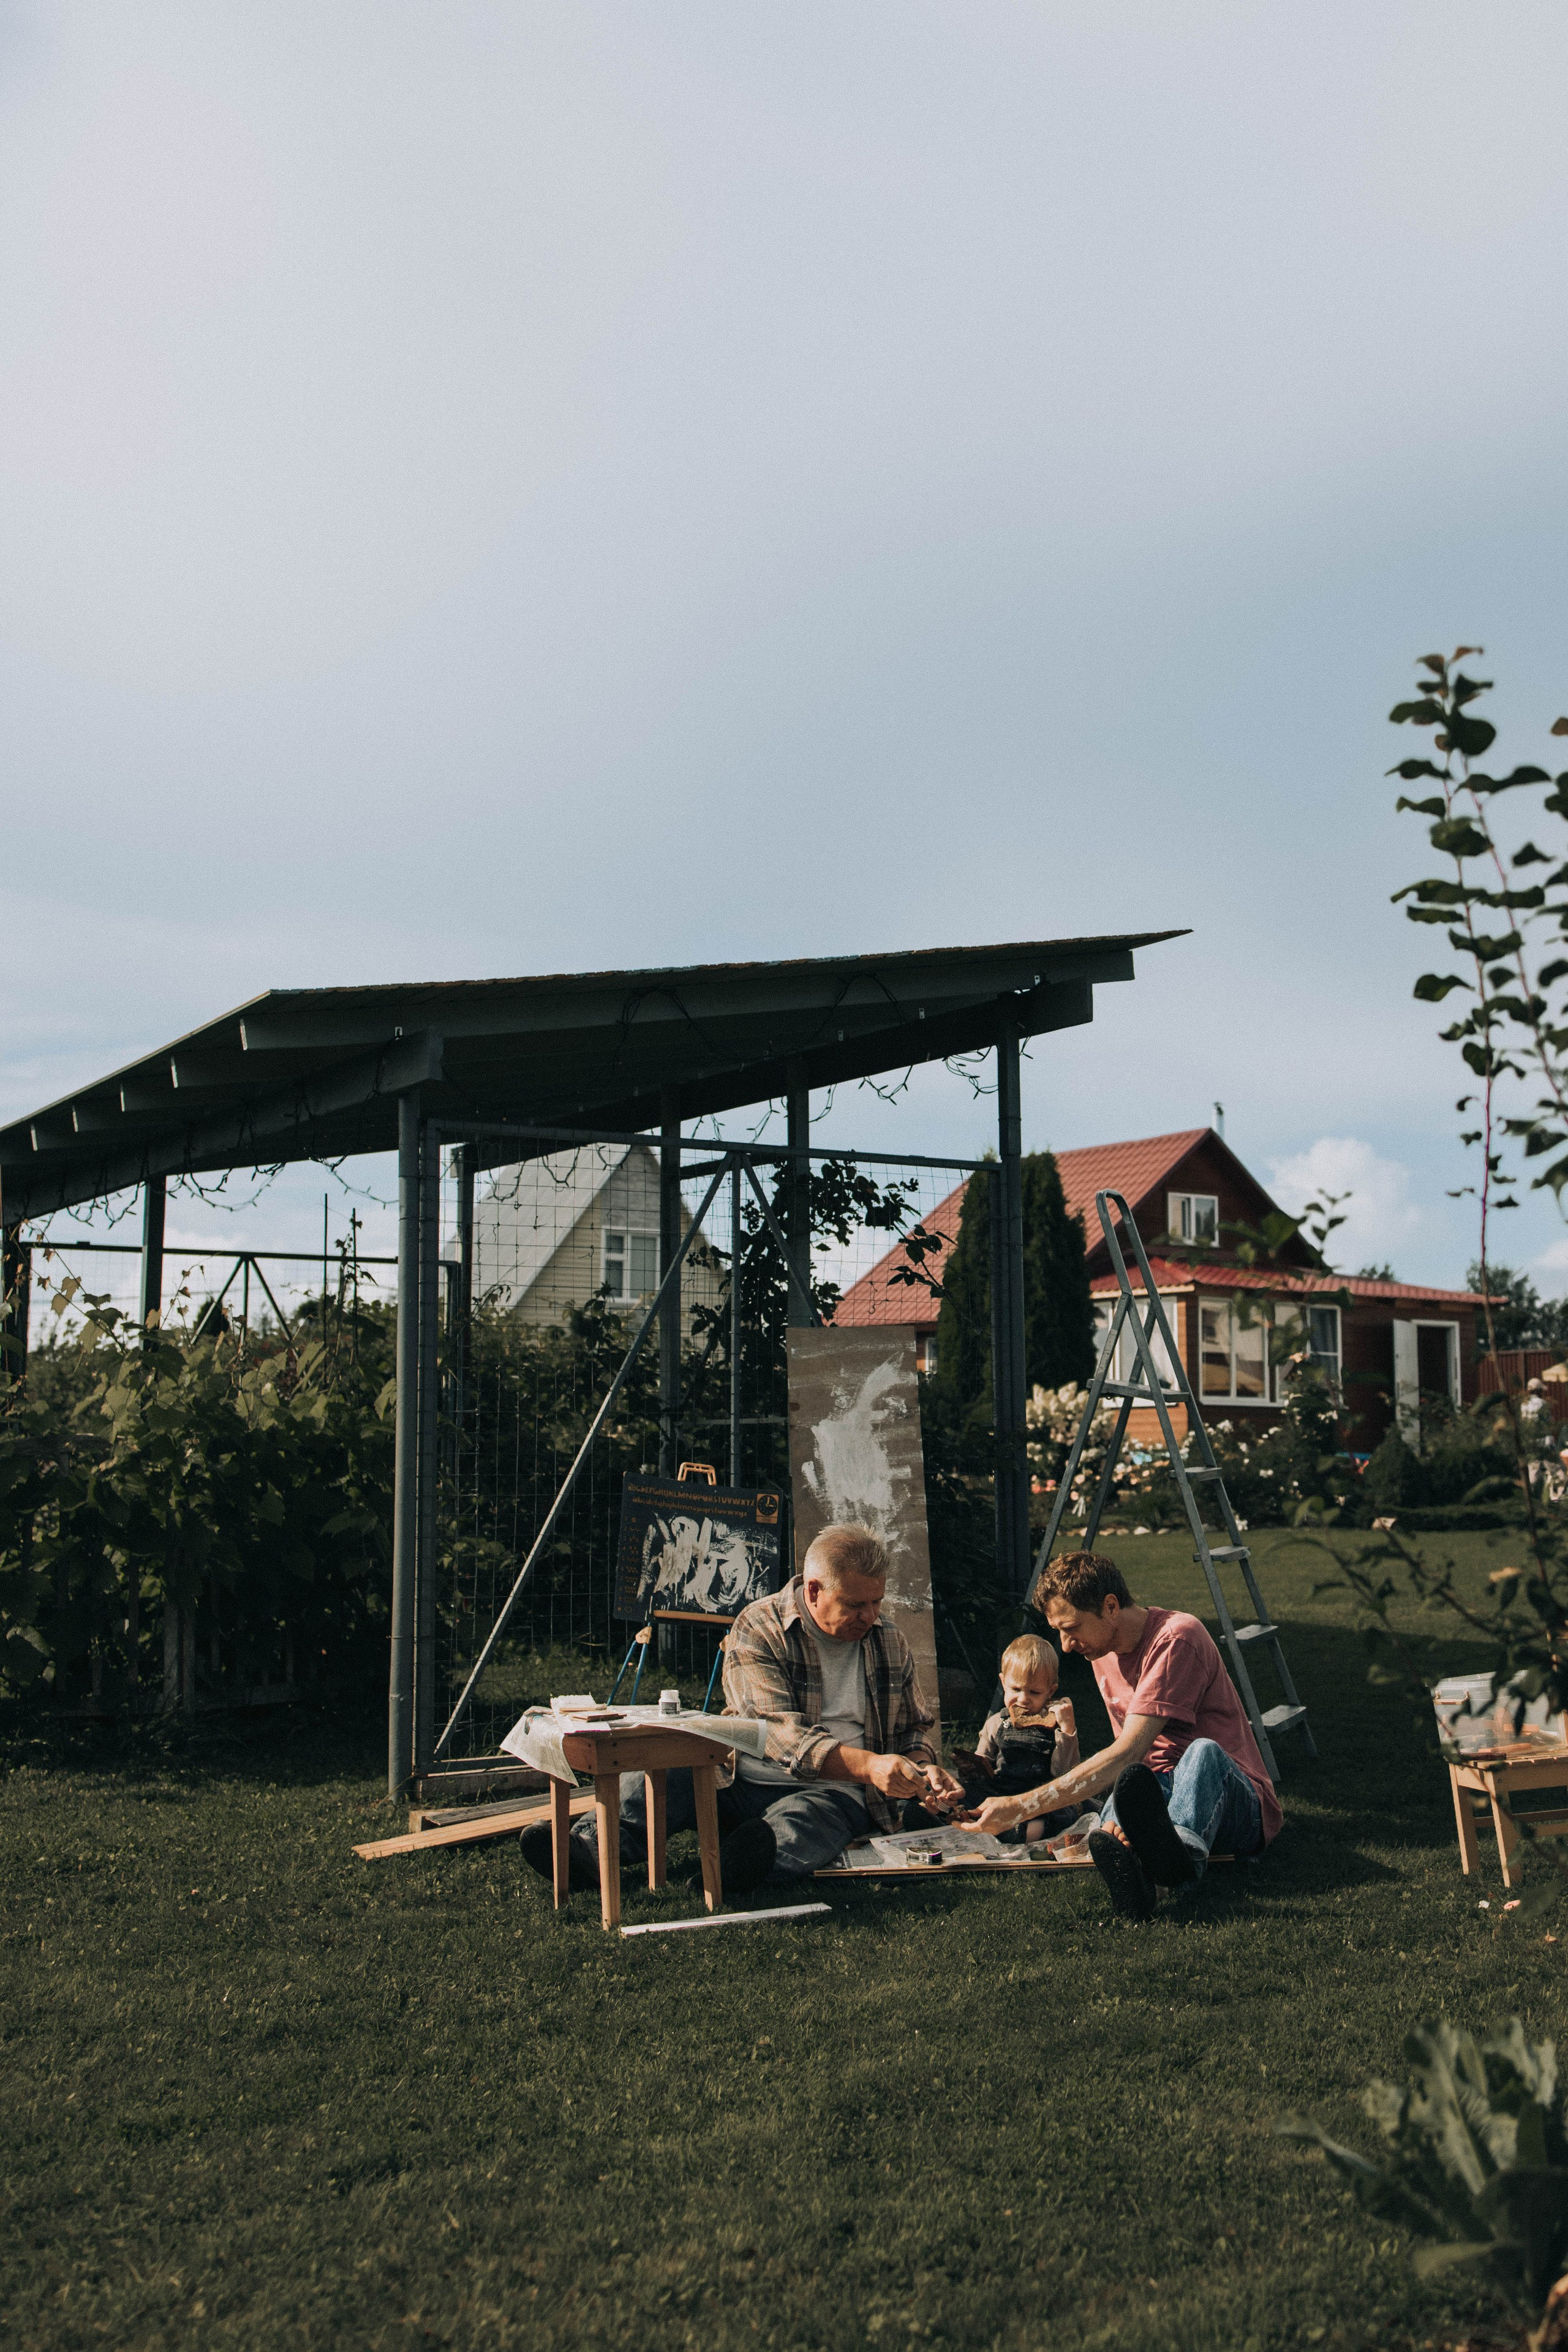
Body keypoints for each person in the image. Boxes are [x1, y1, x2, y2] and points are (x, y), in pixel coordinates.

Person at [521, 1521, 963, 1897]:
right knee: (664, 1770)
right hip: (740, 1776)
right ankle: (586, 1854)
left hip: (839, 1790)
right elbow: (775, 1732)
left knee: (811, 1820)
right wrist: (871, 1765)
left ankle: (742, 1865)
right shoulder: (759, 1626)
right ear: (813, 1590)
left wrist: (925, 1768)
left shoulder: (890, 1639)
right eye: (855, 1605)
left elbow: (913, 1729)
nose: (870, 1616)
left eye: (877, 1602)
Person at [965, 1551, 1282, 1919]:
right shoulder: (1102, 1652)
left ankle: (1175, 1862)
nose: (1066, 1645)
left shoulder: (1178, 1638)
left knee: (1202, 1753)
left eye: (1071, 1629)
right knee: (1123, 1798)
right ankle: (1143, 1876)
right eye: (1060, 1632)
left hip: (1233, 1804)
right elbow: (1129, 1763)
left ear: (1111, 1607)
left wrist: (1019, 1806)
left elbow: (1127, 1751)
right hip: (1156, 1793)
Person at [904, 1634, 1082, 1844]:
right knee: (936, 1804)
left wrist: (1067, 1730)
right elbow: (984, 1761)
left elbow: (1065, 1773)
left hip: (1038, 1797)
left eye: (1034, 1692)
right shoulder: (997, 1722)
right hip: (999, 1792)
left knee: (1061, 1811)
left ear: (1050, 1692)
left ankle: (1013, 1833)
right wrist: (973, 1766)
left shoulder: (1056, 1725)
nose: (1023, 1699)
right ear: (1003, 1683)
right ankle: (954, 1817)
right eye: (1016, 1689)